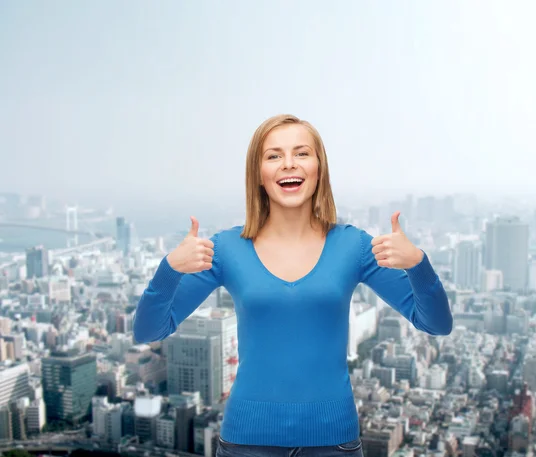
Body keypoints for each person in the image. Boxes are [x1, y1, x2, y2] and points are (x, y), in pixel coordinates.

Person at [133, 114, 452, 457]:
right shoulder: (226, 249)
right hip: (246, 441)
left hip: (335, 443)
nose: (288, 164)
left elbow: (435, 323)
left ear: (319, 168)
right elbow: (149, 329)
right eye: (273, 156)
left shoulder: (354, 247)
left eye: (302, 153)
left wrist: (418, 263)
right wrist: (169, 269)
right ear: (258, 173)